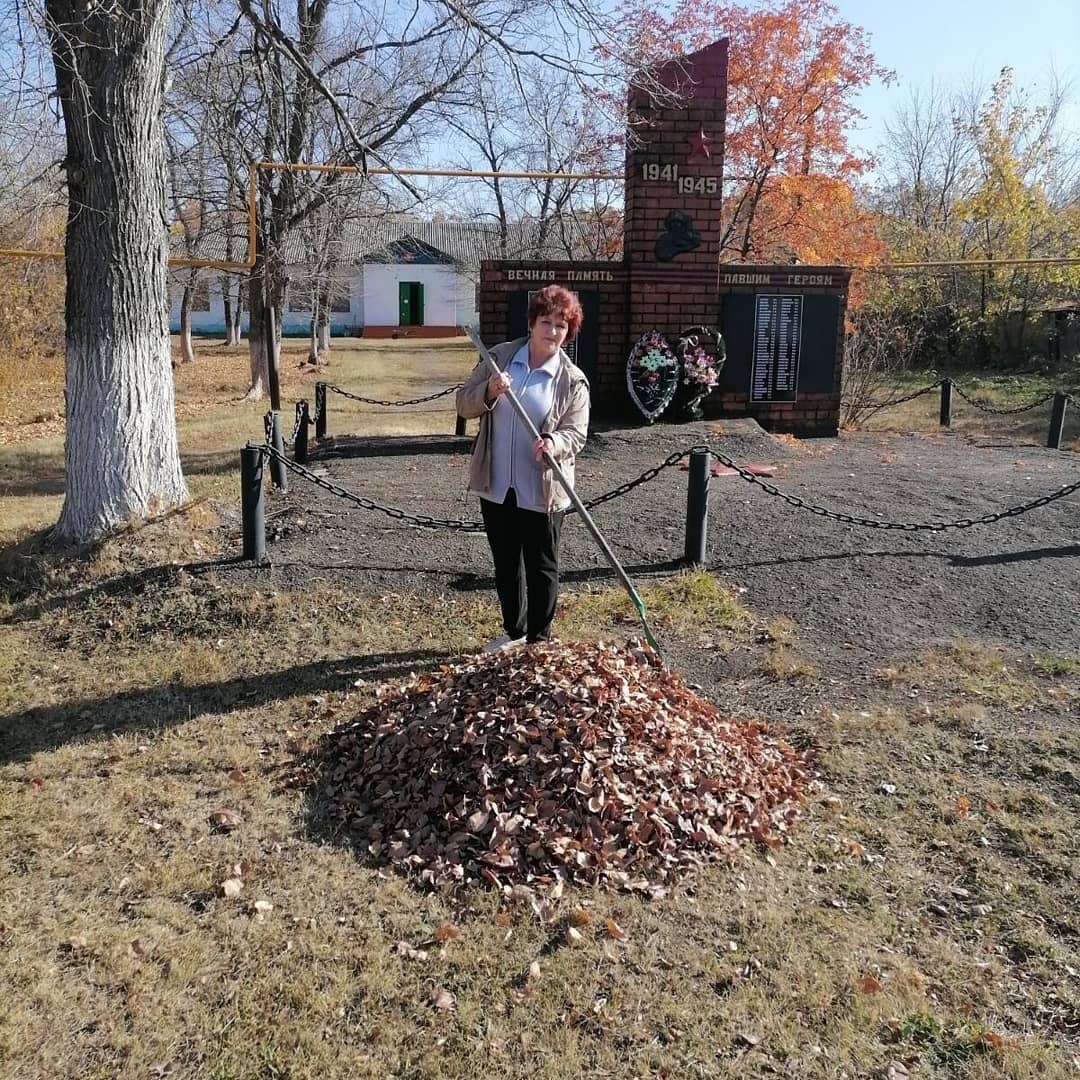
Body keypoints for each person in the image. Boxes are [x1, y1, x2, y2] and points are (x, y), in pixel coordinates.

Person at [456, 285, 590, 651]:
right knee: (506, 564)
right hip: (497, 483)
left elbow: (576, 434)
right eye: (546, 322)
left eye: (561, 326)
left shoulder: (571, 380)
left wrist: (554, 443)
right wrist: (489, 391)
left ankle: (538, 640)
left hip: (542, 490)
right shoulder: (498, 358)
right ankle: (514, 631)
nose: (552, 331)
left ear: (569, 332)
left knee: (541, 565)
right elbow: (463, 404)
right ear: (531, 323)